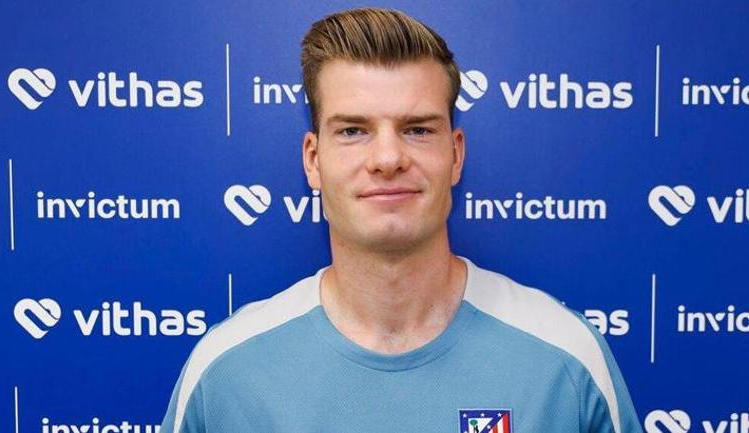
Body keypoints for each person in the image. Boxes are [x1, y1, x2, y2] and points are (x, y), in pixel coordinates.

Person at [160, 8, 643, 433]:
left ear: (455, 155)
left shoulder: (565, 358)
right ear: (313, 160)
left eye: (417, 130)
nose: (388, 158)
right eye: (353, 130)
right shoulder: (226, 372)